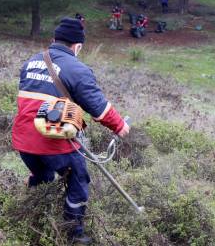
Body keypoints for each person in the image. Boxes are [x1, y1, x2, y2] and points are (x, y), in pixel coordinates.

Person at [12, 18, 131, 244]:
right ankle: (73, 233)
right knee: (78, 178)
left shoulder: (31, 62)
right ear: (77, 46)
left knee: (42, 175)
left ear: (54, 40)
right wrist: (120, 126)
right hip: (52, 142)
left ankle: (31, 215)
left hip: (23, 141)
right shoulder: (77, 68)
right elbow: (99, 108)